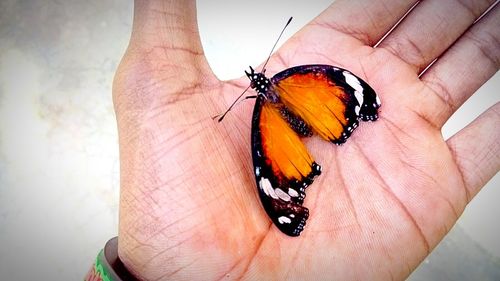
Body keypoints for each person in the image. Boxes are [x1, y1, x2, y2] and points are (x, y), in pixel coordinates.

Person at [86, 0, 500, 280]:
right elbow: (277, 170)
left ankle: (337, 131)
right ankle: (317, 156)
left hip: (281, 121)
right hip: (289, 117)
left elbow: (349, 87)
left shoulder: (266, 107)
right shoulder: (279, 96)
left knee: (313, 119)